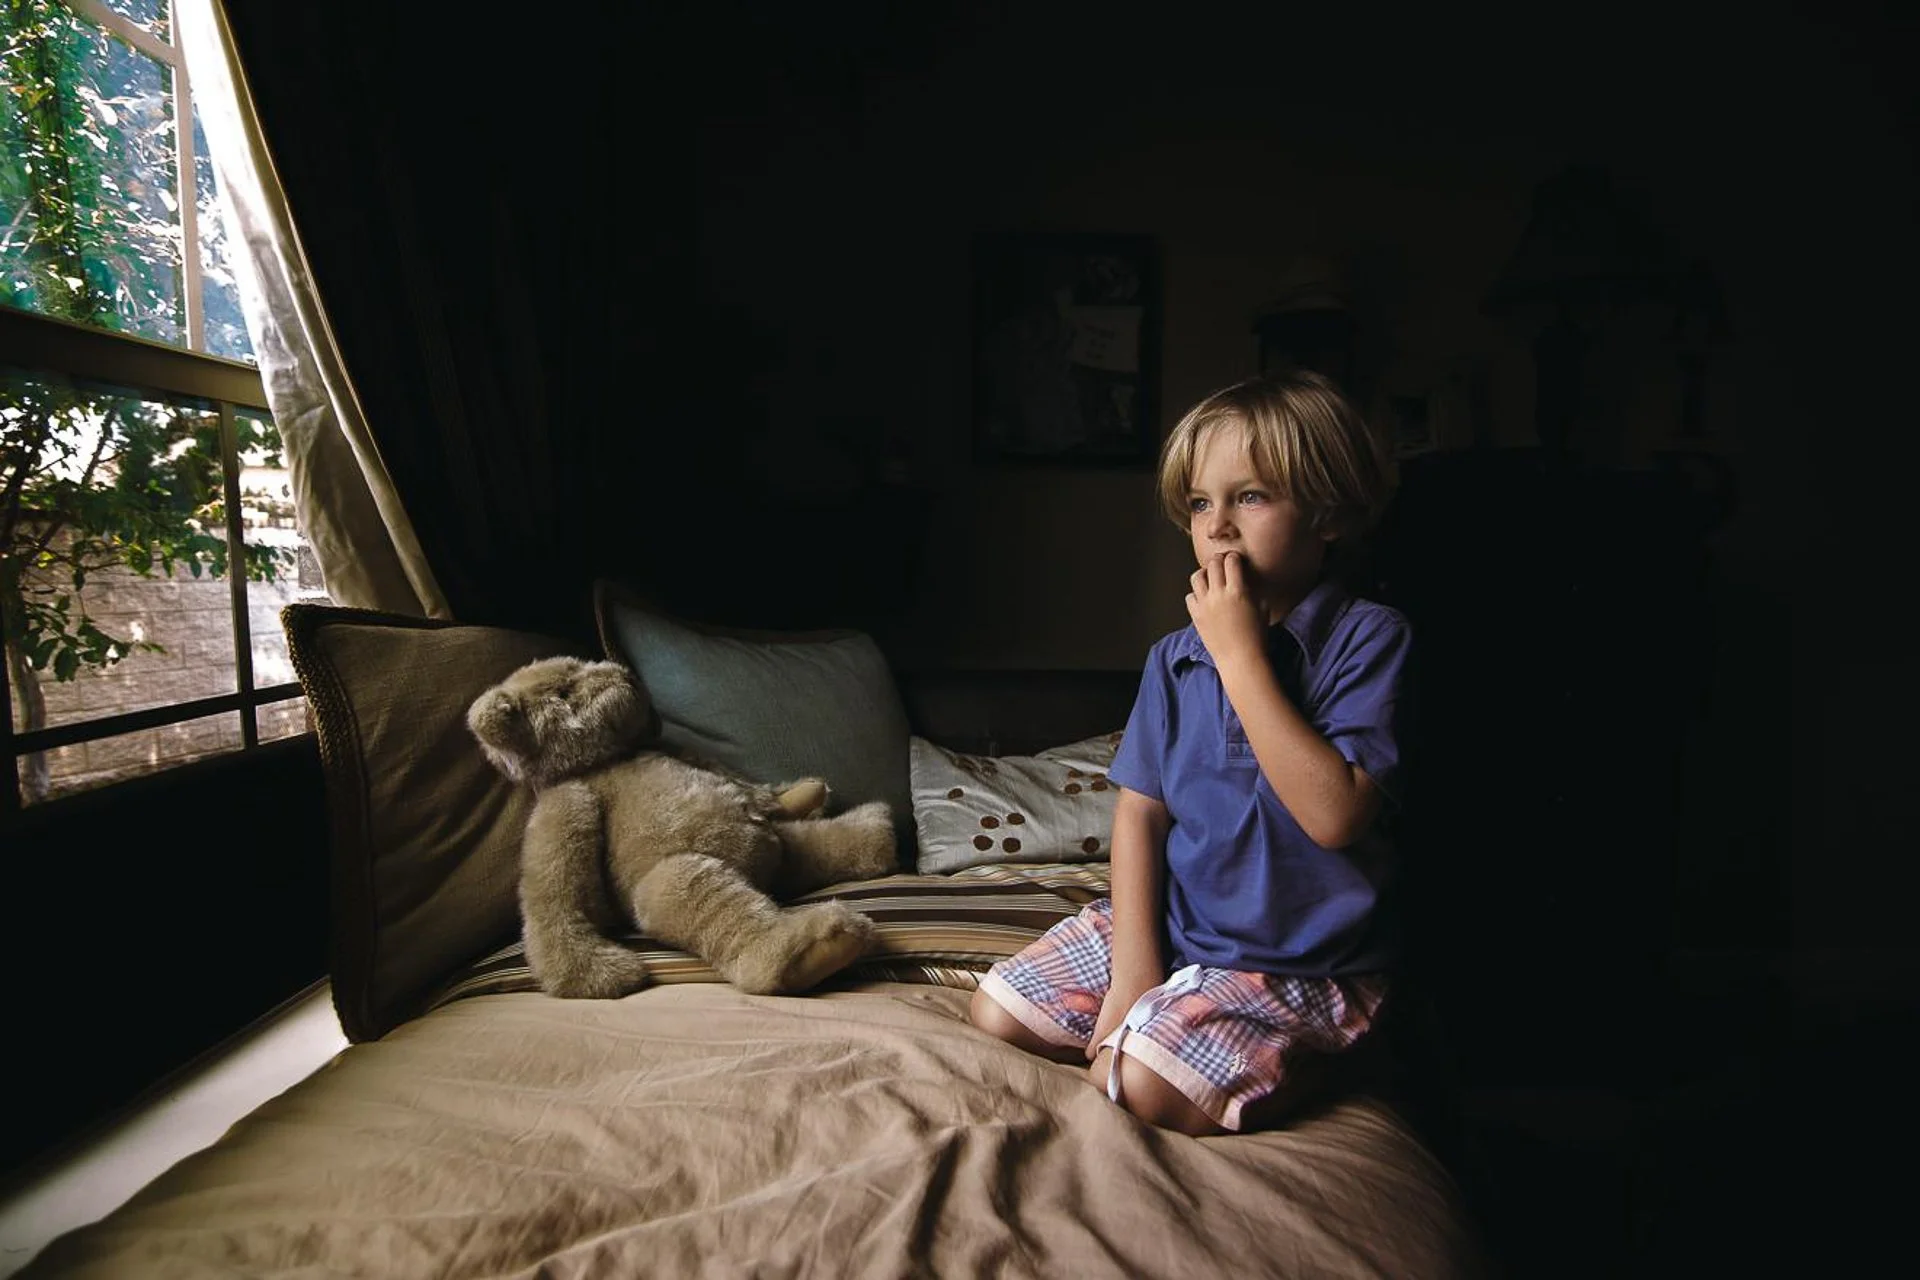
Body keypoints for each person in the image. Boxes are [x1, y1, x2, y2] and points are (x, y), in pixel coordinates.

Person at [968, 370, 1409, 1136]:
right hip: (1182, 929)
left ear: (1330, 514)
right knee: (997, 1013)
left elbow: (1334, 816)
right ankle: (1173, 1005)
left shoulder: (1370, 639)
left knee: (1133, 1082)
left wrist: (1240, 656)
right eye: (1202, 504)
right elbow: (1141, 814)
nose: (1219, 527)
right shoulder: (1174, 658)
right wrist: (1136, 972)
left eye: (1252, 497)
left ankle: (1334, 1047)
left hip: (1297, 960)